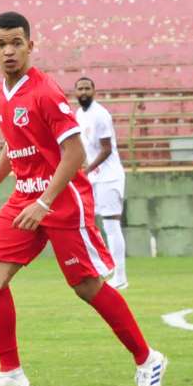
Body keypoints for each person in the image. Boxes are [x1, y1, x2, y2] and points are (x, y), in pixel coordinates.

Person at [0, 11, 166, 386]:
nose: (9, 51)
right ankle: (11, 375)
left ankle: (148, 360)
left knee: (85, 285)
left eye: (17, 43)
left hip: (62, 198)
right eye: (2, 44)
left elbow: (74, 154)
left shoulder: (46, 92)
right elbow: (13, 144)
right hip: (26, 195)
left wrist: (44, 203)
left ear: (30, 46)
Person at [75, 77, 128, 289]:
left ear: (94, 91)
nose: (84, 92)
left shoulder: (101, 115)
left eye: (87, 88)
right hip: (92, 177)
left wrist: (85, 170)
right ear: (76, 92)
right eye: (80, 89)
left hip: (108, 177)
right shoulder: (79, 115)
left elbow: (106, 149)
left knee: (111, 225)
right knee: (87, 223)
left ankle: (121, 275)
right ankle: (101, 268)